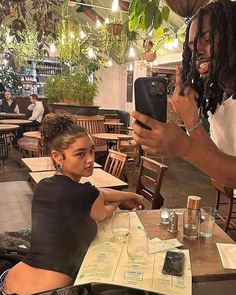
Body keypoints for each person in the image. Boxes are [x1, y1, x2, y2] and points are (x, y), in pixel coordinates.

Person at [1, 113, 144, 295]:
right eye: (80, 154)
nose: (90, 159)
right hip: (50, 291)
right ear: (58, 156)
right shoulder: (84, 194)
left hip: (10, 282)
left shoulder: (44, 185)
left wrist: (128, 195)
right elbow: (103, 212)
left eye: (91, 151)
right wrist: (119, 203)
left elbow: (99, 194)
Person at [132, 0, 236, 188]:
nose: (197, 51)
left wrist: (183, 146)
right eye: (192, 46)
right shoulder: (219, 100)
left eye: (207, 39)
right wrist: (190, 120)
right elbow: (221, 166)